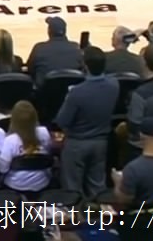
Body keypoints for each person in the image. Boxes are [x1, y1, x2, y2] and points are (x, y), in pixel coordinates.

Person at [56, 46, 119, 197]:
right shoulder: (114, 85)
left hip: (77, 144)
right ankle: (100, 211)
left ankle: (77, 213)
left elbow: (62, 121)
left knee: (73, 191)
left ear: (85, 66)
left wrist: (68, 98)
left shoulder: (76, 92)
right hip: (101, 143)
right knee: (97, 189)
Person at [0, 101, 51, 193]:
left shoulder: (10, 140)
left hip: (16, 184)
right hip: (42, 181)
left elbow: (3, 169)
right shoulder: (44, 132)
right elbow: (47, 153)